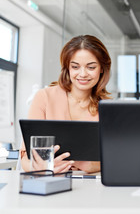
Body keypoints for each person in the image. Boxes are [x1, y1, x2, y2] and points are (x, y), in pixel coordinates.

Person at [20, 35, 111, 173]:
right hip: (51, 180)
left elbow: (117, 158)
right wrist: (42, 168)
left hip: (92, 185)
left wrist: (92, 166)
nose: (83, 74)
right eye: (75, 67)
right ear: (67, 68)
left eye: (91, 67)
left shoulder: (108, 108)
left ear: (102, 69)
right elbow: (25, 157)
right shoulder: (45, 97)